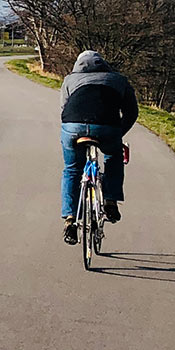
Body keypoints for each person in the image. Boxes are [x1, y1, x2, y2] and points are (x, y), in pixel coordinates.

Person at [60, 48, 137, 244]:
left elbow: (64, 108)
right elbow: (132, 112)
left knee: (72, 170)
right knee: (113, 156)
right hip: (107, 127)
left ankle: (69, 220)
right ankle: (110, 200)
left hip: (73, 127)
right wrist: (118, 134)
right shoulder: (119, 80)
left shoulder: (69, 80)